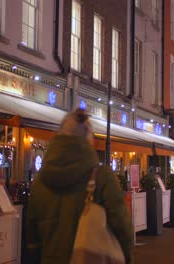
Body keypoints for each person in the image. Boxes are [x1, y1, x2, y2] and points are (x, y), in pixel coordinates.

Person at [26, 109, 134, 264]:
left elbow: (32, 239)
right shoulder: (101, 177)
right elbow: (123, 227)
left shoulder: (39, 182)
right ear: (88, 139)